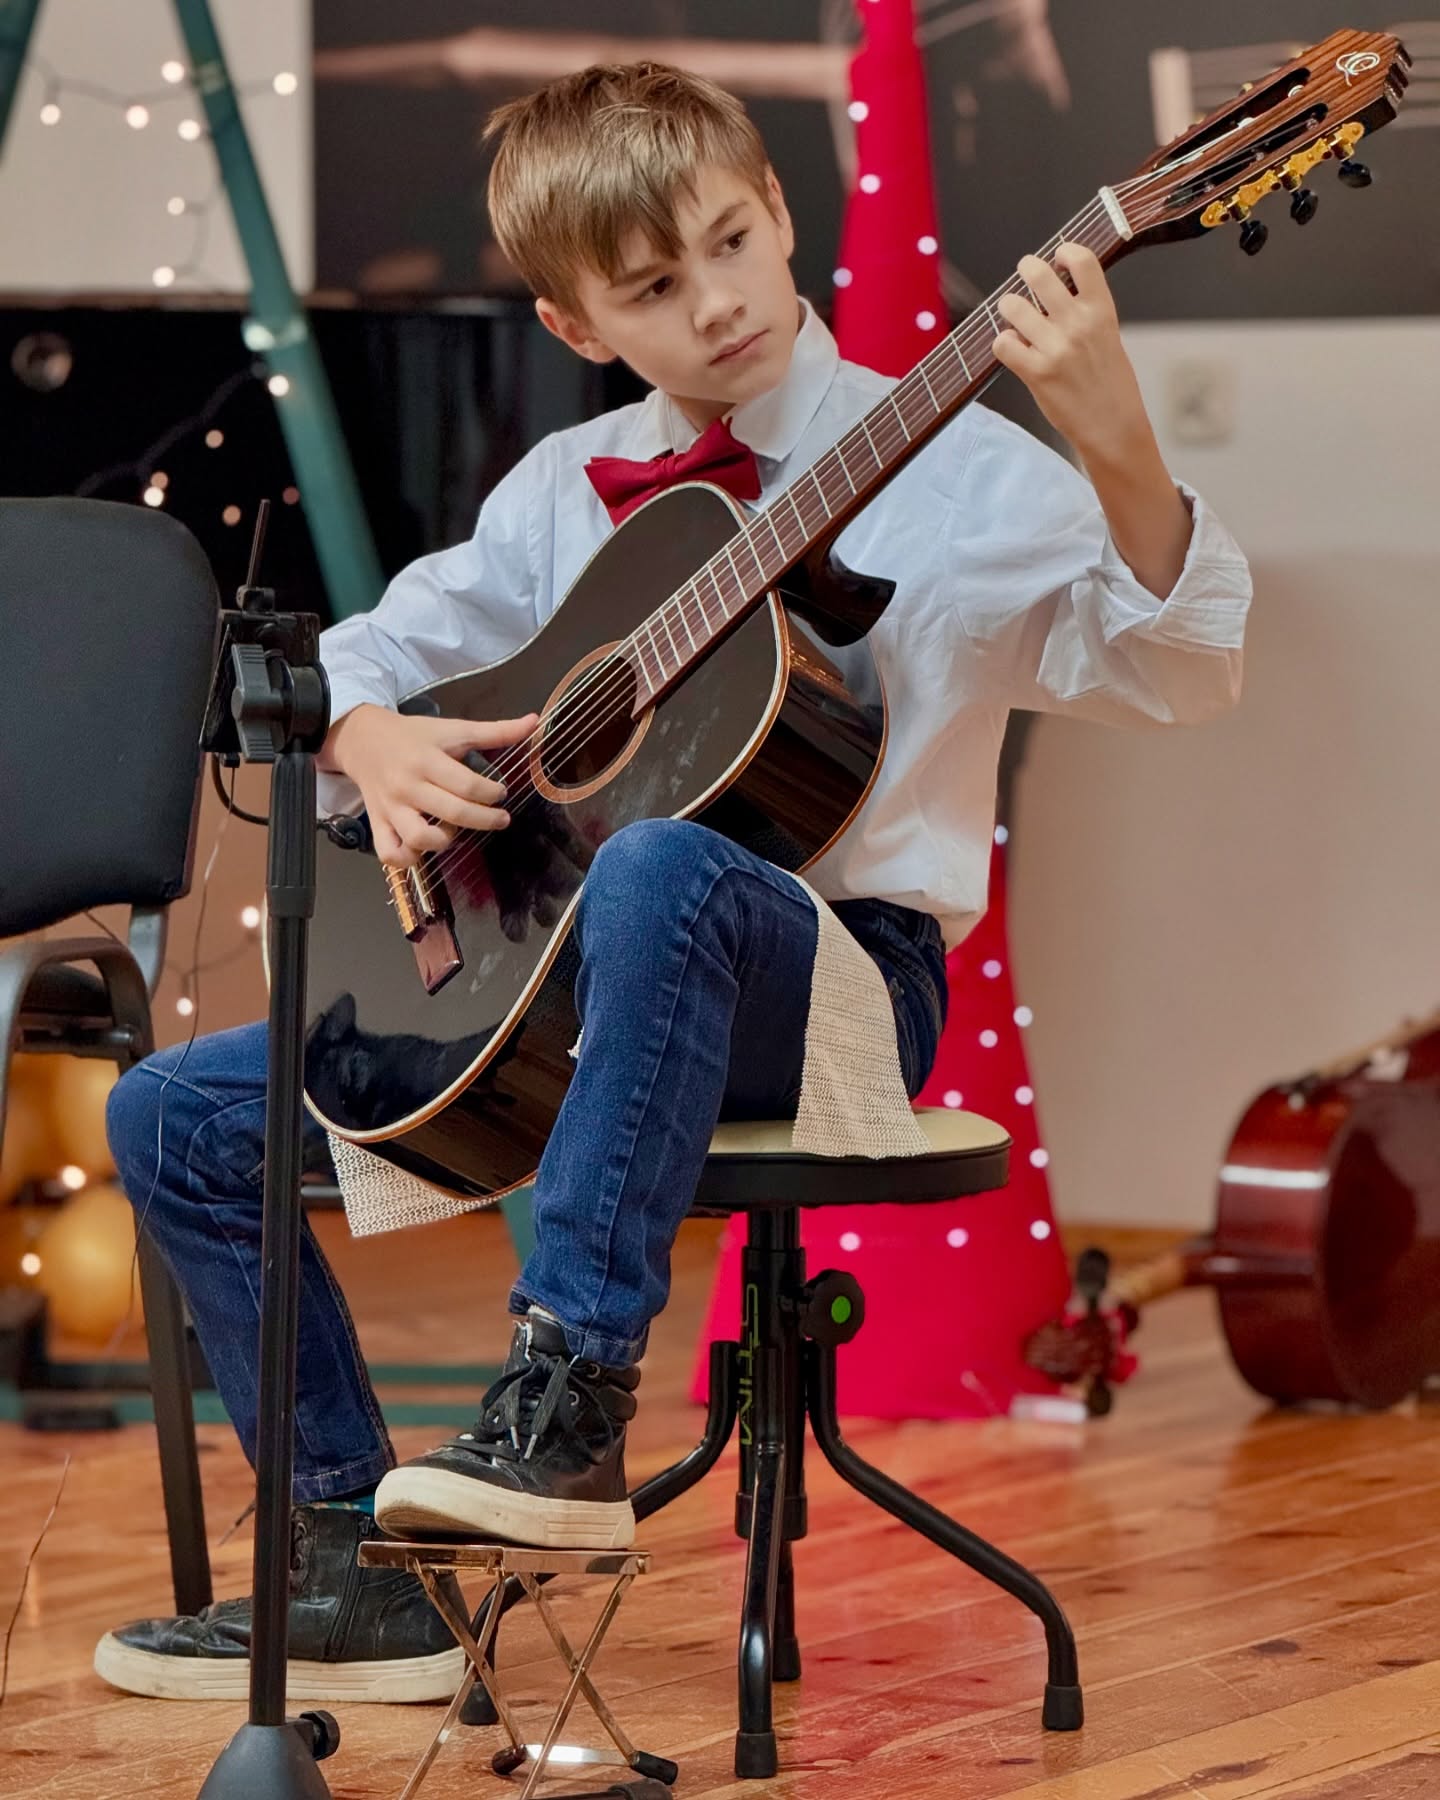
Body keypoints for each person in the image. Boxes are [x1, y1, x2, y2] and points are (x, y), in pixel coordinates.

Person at [94, 60, 1251, 1703]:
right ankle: (355, 1571)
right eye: (650, 289)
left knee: (658, 868)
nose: (715, 304)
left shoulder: (965, 472)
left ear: (779, 209)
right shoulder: (565, 491)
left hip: (836, 991)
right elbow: (365, 647)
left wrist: (1117, 439)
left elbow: (1185, 672)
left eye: (729, 242)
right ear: (574, 324)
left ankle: (567, 1403)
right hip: (572, 987)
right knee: (172, 1115)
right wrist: (366, 738)